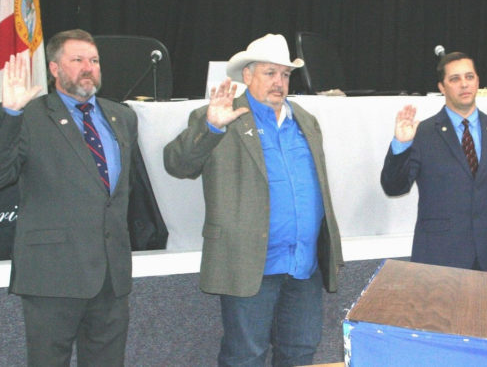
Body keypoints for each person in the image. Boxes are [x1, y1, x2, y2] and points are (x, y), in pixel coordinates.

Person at [163, 33, 342, 367]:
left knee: (301, 354)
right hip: (250, 264)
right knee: (245, 357)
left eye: (285, 75)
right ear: (247, 75)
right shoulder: (219, 115)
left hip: (304, 265)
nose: (279, 82)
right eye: (270, 73)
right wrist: (211, 128)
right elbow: (177, 164)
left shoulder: (305, 119)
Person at [0, 29, 139, 365]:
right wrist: (10, 115)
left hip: (110, 276)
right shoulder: (30, 115)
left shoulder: (122, 117)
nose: (88, 67)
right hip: (53, 276)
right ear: (54, 68)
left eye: (94, 60)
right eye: (77, 60)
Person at [380, 51, 487, 274]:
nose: (464, 84)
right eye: (455, 79)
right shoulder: (424, 133)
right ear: (442, 87)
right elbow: (394, 187)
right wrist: (401, 145)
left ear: (477, 81)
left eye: (469, 77)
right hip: (438, 257)